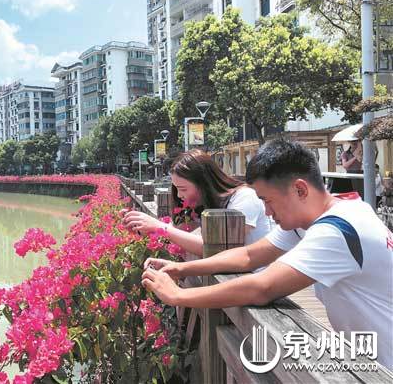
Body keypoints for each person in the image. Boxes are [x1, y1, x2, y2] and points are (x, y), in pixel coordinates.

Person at [142, 140, 393, 369]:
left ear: (300, 190)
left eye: (268, 201)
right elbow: (249, 256)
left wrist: (178, 295)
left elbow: (263, 287)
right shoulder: (323, 216)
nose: (267, 212)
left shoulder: (337, 230)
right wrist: (182, 269)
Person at [123, 149, 272, 257]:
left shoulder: (244, 198)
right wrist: (147, 229)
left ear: (204, 183)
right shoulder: (206, 206)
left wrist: (159, 227)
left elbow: (216, 249)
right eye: (176, 189)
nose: (180, 196)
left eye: (183, 189)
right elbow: (179, 234)